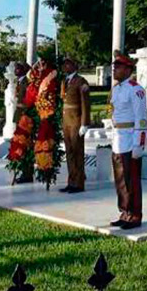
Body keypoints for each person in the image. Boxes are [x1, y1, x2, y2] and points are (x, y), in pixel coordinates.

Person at [109, 51, 147, 230]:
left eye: (118, 67)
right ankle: (124, 212)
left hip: (130, 138)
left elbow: (141, 118)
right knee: (120, 179)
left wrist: (139, 143)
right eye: (114, 66)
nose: (114, 69)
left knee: (131, 179)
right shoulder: (116, 89)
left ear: (127, 69)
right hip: (118, 138)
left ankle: (134, 215)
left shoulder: (136, 90)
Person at [60, 57, 91, 193]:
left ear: (75, 66)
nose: (65, 67)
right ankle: (71, 181)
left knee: (77, 151)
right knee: (69, 152)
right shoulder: (65, 81)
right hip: (67, 121)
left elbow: (85, 103)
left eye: (68, 64)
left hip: (76, 120)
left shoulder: (81, 81)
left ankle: (79, 183)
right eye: (65, 65)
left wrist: (84, 123)